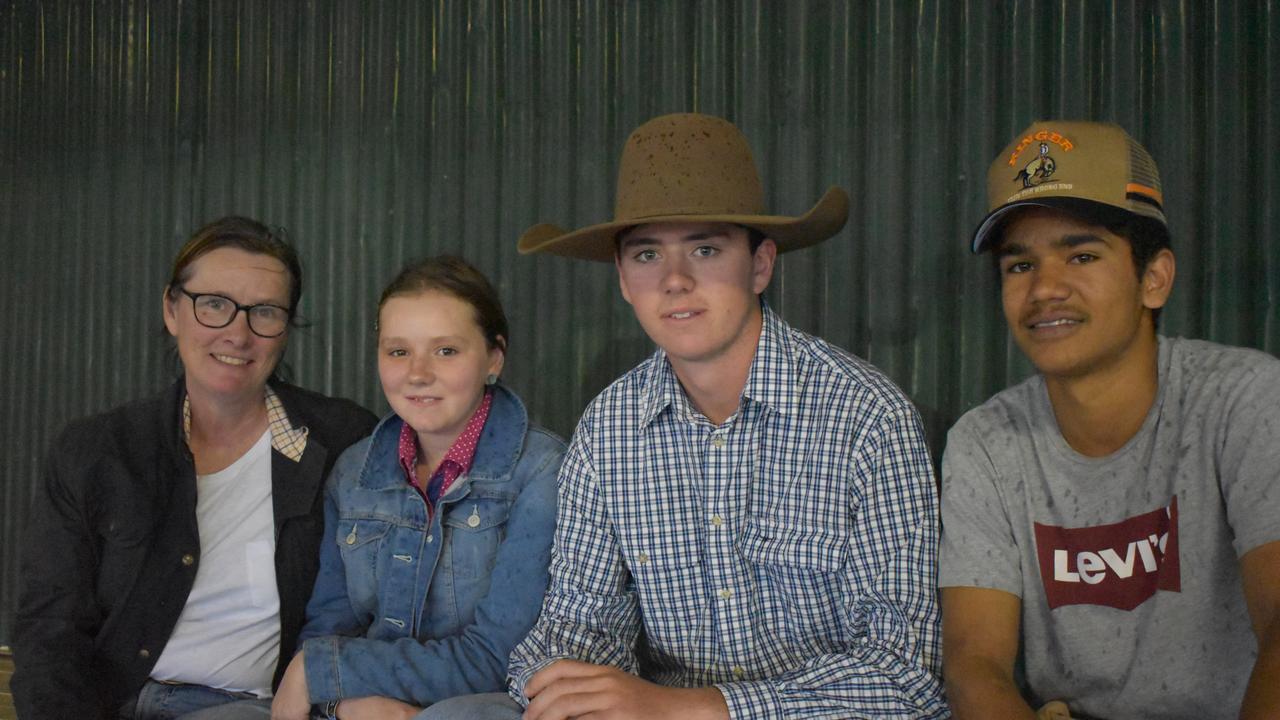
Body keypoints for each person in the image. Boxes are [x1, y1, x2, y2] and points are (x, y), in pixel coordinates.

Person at [431, 112, 948, 719]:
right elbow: (576, 622)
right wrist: (568, 683)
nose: (675, 281)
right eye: (648, 254)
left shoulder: (866, 418)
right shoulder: (610, 428)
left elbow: (907, 675)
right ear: (623, 279)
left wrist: (701, 709)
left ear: (760, 265)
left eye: (705, 248)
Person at [939, 121, 1280, 720]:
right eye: (1019, 267)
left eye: (1082, 255)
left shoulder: (1244, 399)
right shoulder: (987, 442)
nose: (1046, 289)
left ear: (1154, 278)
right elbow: (975, 664)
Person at [12, 216, 378, 720]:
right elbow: (49, 631)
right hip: (114, 705)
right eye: (214, 305)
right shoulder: (97, 452)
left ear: (286, 328)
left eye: (265, 312)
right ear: (171, 309)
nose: (237, 333)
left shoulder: (344, 441)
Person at [268, 256, 564, 720]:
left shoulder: (541, 471)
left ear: (494, 358)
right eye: (398, 351)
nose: (418, 373)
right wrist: (345, 701)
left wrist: (329, 675)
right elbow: (329, 630)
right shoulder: (353, 473)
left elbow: (500, 658)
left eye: (446, 351)